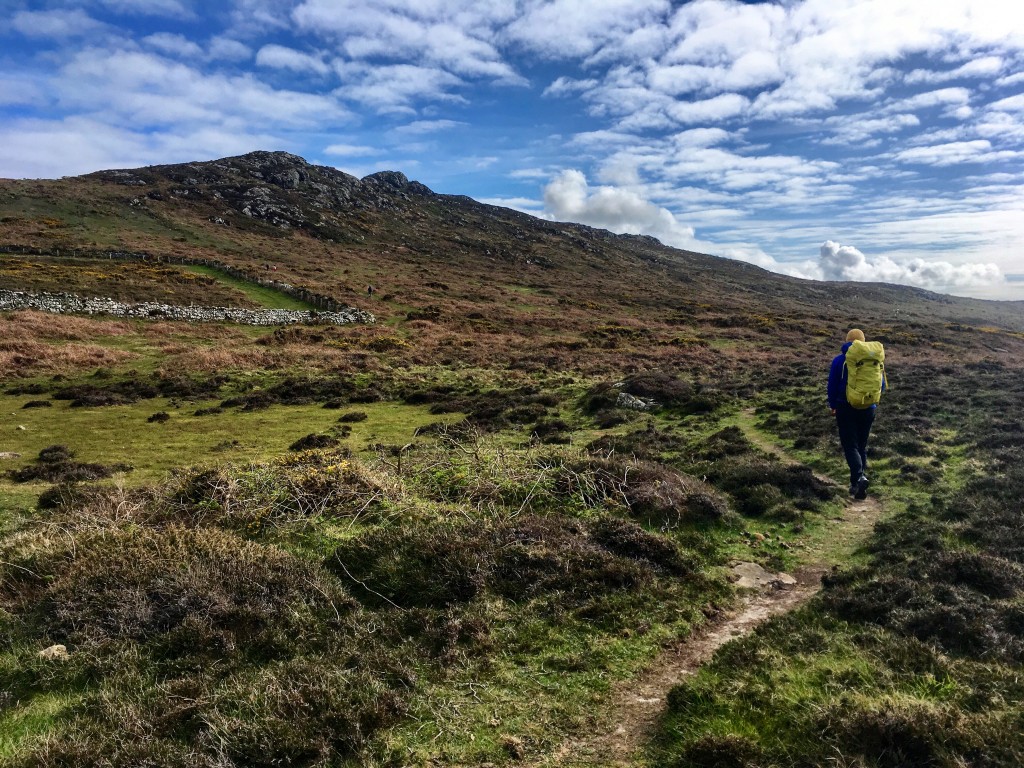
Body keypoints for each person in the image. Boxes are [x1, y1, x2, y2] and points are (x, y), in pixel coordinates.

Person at [827, 328, 882, 499]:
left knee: (850, 445)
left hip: (846, 407)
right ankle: (856, 485)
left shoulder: (840, 360)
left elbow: (832, 384)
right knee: (861, 446)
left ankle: (859, 478)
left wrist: (833, 404)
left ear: (847, 340)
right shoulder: (874, 360)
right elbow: (882, 385)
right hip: (869, 407)